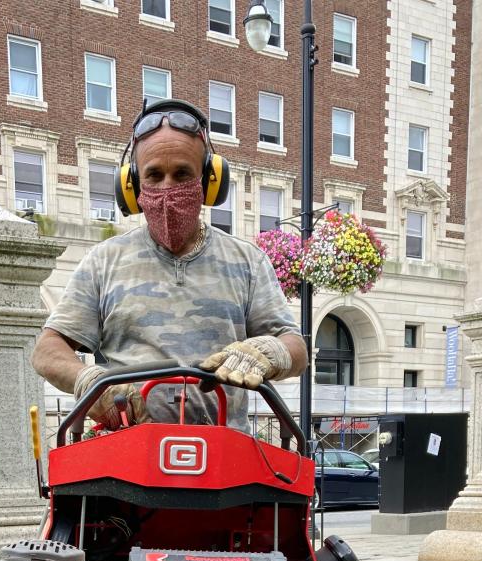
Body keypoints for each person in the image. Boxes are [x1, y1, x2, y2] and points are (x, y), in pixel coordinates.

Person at [31, 98, 307, 430]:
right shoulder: (104, 261)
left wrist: (270, 351)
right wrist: (90, 381)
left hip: (225, 459)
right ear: (133, 187)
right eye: (154, 175)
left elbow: (297, 349)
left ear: (208, 182)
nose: (167, 189)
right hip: (127, 456)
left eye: (181, 174)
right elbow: (47, 350)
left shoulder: (247, 261)